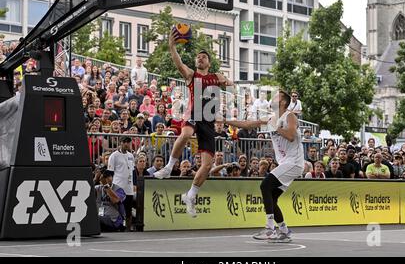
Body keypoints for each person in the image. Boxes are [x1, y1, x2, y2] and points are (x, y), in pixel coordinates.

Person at [152, 30, 233, 217]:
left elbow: (230, 83)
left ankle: (191, 195)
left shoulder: (216, 76)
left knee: (207, 165)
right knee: (186, 134)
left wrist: (227, 81)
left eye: (203, 57)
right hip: (194, 113)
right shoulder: (191, 75)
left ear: (209, 62)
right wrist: (172, 46)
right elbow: (178, 63)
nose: (200, 59)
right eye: (198, 57)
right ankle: (168, 166)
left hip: (209, 120)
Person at [226, 91, 303, 243]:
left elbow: (291, 136)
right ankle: (284, 231)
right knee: (272, 198)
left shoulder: (289, 116)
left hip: (293, 162)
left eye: (275, 96)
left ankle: (269, 228)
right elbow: (247, 124)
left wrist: (276, 127)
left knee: (265, 185)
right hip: (287, 164)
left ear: (282, 102)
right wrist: (225, 120)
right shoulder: (270, 118)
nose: (272, 98)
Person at [107, 137, 135, 231]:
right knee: (118, 208)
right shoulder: (114, 156)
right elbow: (110, 172)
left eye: (129, 142)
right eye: (125, 142)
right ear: (121, 143)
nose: (127, 144)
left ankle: (128, 228)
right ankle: (117, 227)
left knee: (128, 210)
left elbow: (132, 171)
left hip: (129, 187)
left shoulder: (131, 155)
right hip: (118, 187)